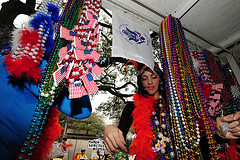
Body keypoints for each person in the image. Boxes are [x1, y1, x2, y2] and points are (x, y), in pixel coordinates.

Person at [103, 62, 240, 159]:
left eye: (154, 77)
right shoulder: (131, 107)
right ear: (140, 82)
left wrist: (219, 136)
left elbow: (195, 144)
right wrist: (109, 129)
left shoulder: (176, 105)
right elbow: (119, 137)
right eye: (145, 78)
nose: (150, 82)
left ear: (160, 79)